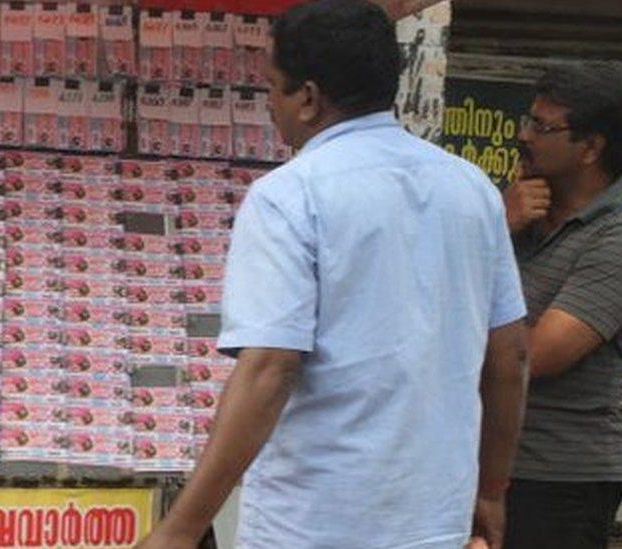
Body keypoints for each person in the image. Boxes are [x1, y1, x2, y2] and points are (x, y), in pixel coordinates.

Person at [137, 1, 528, 548]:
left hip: (315, 524)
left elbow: (270, 369)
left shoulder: (290, 196)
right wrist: (490, 490)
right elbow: (509, 357)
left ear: (309, 98)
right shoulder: (472, 189)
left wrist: (181, 527)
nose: (270, 105)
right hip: (433, 521)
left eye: (273, 88)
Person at [502, 63, 622, 549]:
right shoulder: (514, 216)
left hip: (557, 481)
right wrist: (495, 224)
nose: (523, 135)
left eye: (542, 126)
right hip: (478, 464)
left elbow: (530, 357)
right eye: (528, 119)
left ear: (592, 148)